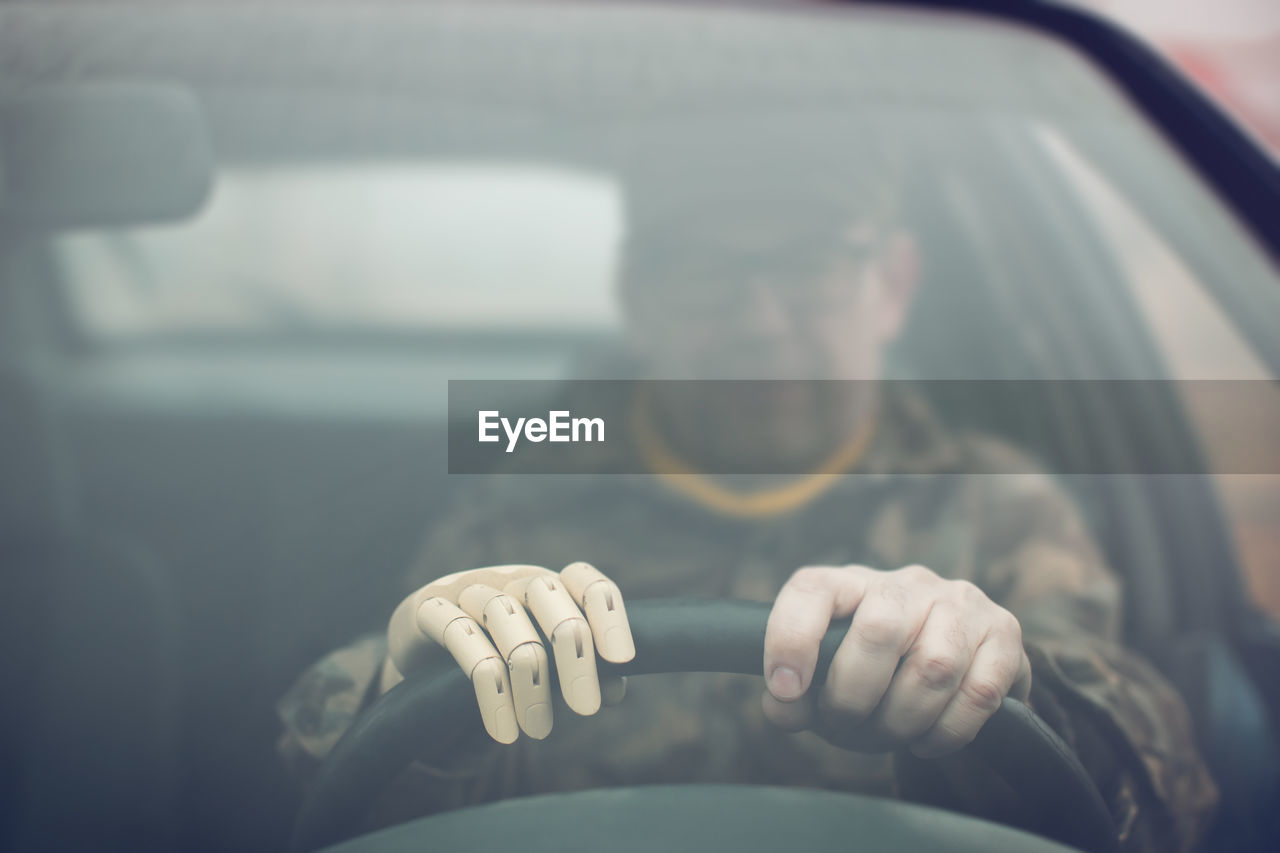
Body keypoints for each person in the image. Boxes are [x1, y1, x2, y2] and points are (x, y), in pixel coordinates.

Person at [277, 120, 1218, 851]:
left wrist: (1010, 685)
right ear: (641, 299)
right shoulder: (520, 498)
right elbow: (362, 804)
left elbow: (1149, 788)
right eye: (705, 272)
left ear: (891, 285)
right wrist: (403, 691)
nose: (761, 321)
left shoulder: (1001, 504)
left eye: (809, 265)